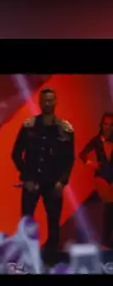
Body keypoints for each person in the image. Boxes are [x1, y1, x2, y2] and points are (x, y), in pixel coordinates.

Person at [12, 88, 75, 256]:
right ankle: (27, 255)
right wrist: (26, 177)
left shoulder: (65, 129)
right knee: (27, 221)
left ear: (55, 102)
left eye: (51, 100)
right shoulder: (29, 127)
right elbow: (16, 154)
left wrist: (62, 181)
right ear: (40, 103)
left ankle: (51, 256)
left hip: (53, 182)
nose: (48, 103)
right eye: (45, 100)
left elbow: (69, 159)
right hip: (32, 181)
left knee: (54, 222)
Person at [79, 112, 113, 247]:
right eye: (106, 124)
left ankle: (107, 238)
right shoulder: (97, 140)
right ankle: (106, 239)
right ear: (101, 125)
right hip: (101, 177)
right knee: (110, 205)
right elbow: (82, 154)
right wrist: (91, 164)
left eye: (111, 125)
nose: (108, 127)